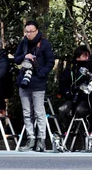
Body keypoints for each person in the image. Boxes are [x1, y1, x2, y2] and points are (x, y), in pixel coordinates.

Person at [14, 20, 55, 152]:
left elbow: (50, 62)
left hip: (38, 82)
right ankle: (30, 139)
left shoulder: (45, 44)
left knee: (39, 112)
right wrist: (24, 56)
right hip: (24, 81)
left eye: (31, 31)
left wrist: (40, 74)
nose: (29, 34)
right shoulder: (23, 43)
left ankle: (41, 140)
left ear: (37, 31)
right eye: (27, 31)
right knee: (27, 112)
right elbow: (15, 59)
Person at [58, 46, 92, 129]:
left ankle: (85, 130)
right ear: (78, 56)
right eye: (84, 56)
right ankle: (68, 128)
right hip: (72, 97)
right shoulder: (71, 68)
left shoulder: (90, 66)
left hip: (86, 98)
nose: (86, 58)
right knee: (62, 109)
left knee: (80, 110)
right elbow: (62, 83)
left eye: (87, 56)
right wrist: (68, 94)